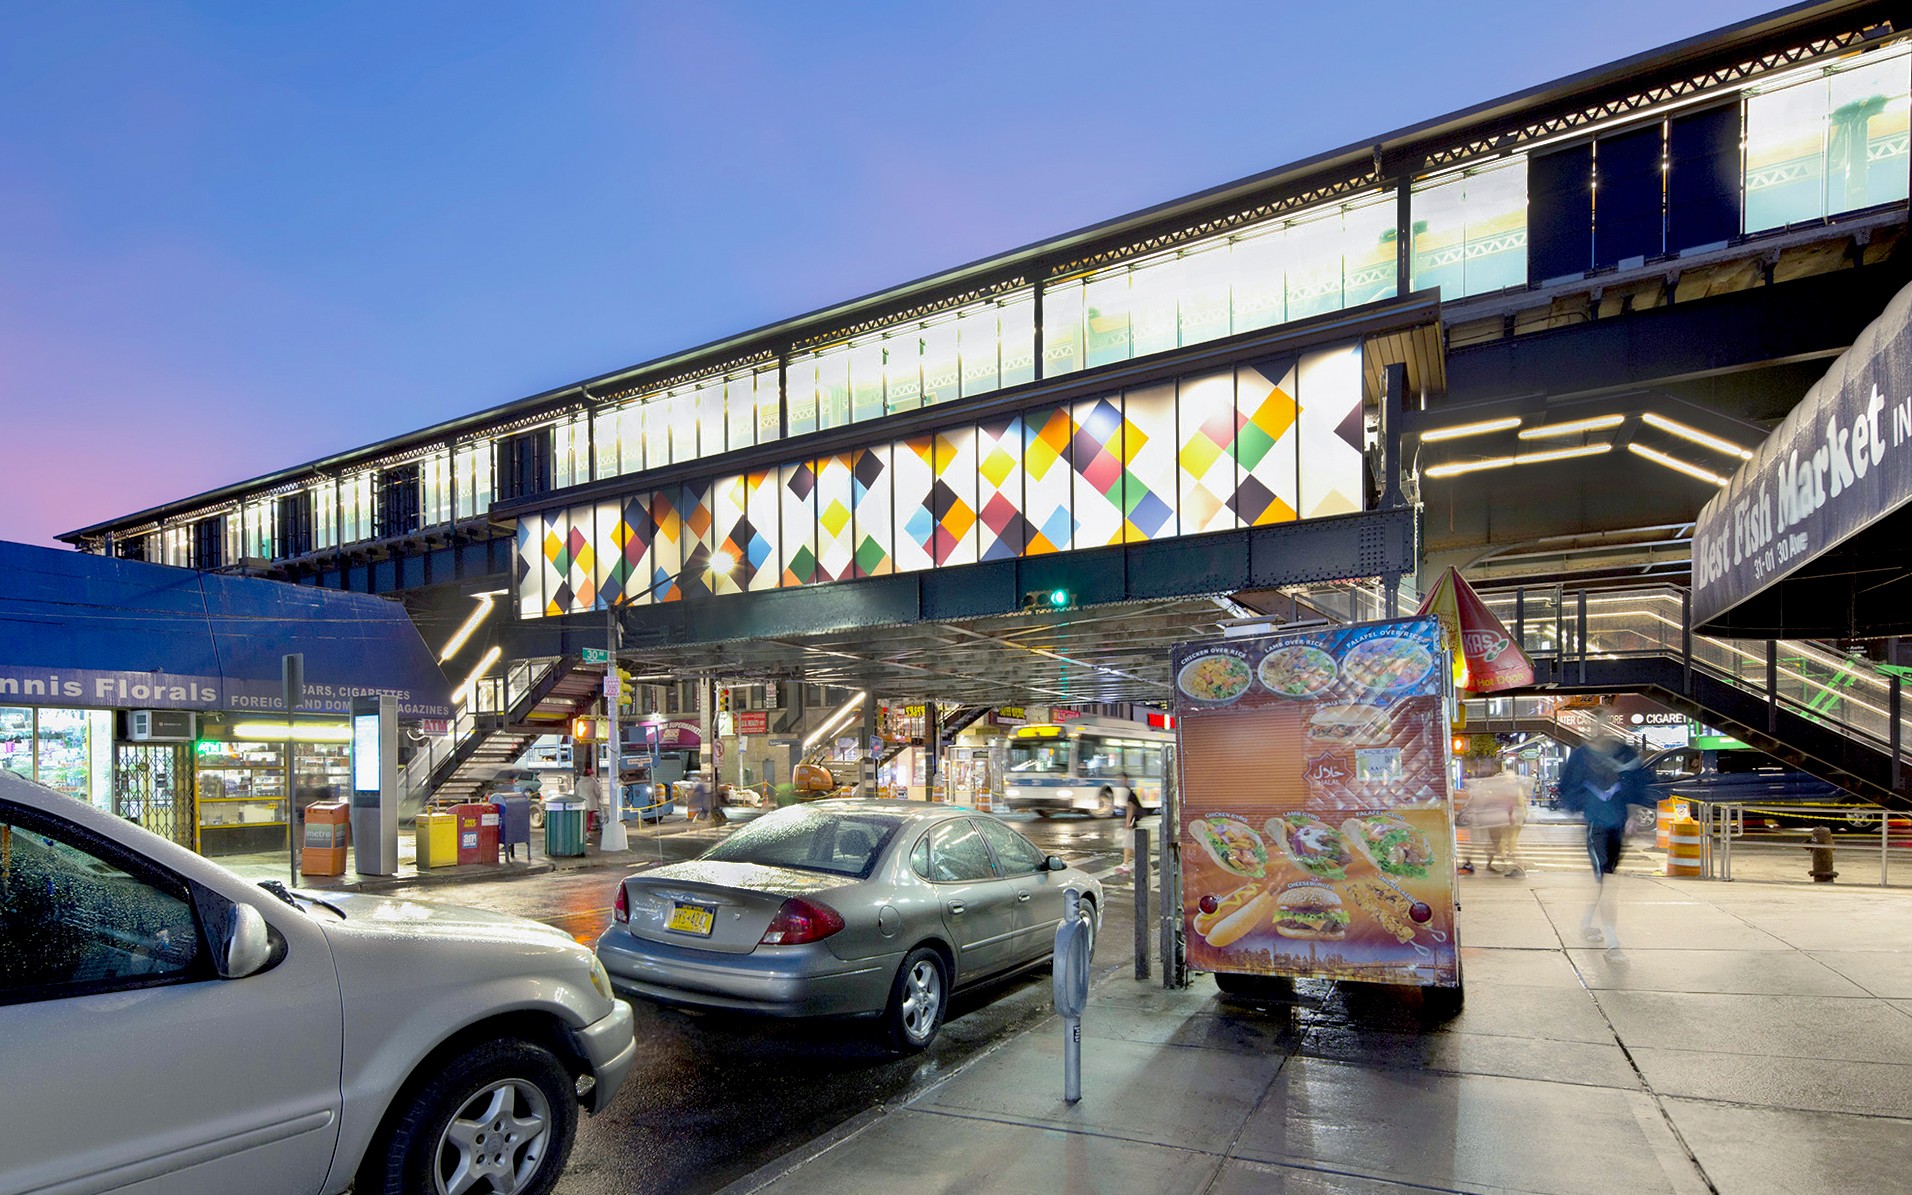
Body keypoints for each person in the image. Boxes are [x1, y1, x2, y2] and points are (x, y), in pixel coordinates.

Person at [1559, 712, 1654, 960]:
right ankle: (1613, 943)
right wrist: (1578, 806)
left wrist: (1632, 815)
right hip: (1595, 827)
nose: (1603, 727)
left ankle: (1586, 923)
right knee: (1608, 882)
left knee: (1605, 880)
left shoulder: (1625, 753)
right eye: (1597, 723)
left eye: (1609, 722)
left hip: (1618, 827)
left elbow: (1636, 785)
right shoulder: (1581, 757)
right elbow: (1567, 788)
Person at [1460, 761, 1528, 878]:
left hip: (1511, 820)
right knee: (1496, 842)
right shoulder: (1512, 788)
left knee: (1510, 844)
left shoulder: (1512, 789)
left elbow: (1516, 805)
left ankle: (1520, 867)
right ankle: (1489, 864)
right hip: (1505, 820)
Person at [1118, 790, 1146, 875]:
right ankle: (1144, 863)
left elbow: (1131, 808)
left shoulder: (1129, 794)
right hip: (1134, 822)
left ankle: (1125, 864)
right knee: (1131, 845)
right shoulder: (1129, 792)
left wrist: (1128, 822)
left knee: (1127, 844)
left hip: (1132, 823)